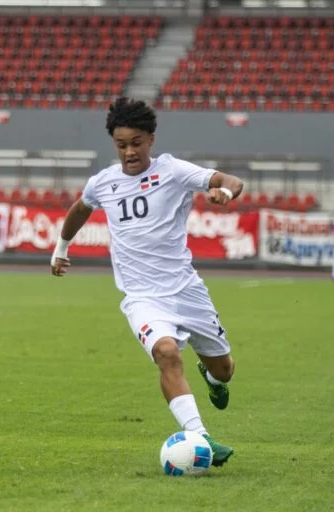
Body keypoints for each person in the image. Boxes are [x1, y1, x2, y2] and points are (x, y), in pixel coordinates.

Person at [50, 97, 244, 466]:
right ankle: (200, 438)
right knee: (166, 354)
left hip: (187, 291)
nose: (129, 152)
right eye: (121, 144)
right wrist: (61, 247)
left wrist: (225, 192)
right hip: (142, 298)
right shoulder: (103, 182)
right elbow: (80, 208)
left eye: (136, 142)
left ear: (150, 140)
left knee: (225, 370)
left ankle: (213, 377)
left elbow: (230, 180)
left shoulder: (173, 171)